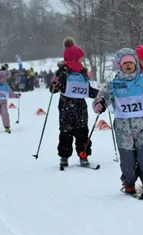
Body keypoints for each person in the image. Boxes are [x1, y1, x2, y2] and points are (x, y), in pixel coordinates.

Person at [92, 48, 143, 194]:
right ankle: (129, 181)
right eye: (124, 62)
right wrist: (100, 103)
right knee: (128, 161)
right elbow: (103, 96)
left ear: (136, 64)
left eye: (130, 62)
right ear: (119, 65)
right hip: (122, 129)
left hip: (142, 127)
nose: (127, 65)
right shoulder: (114, 84)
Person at [48, 37, 99, 167]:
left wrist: (99, 94)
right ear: (74, 58)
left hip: (80, 108)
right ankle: (64, 157)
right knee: (66, 133)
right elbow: (53, 89)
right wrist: (54, 85)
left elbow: (86, 89)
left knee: (82, 133)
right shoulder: (63, 71)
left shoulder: (82, 72)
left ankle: (83, 155)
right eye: (81, 58)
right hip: (66, 108)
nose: (82, 60)